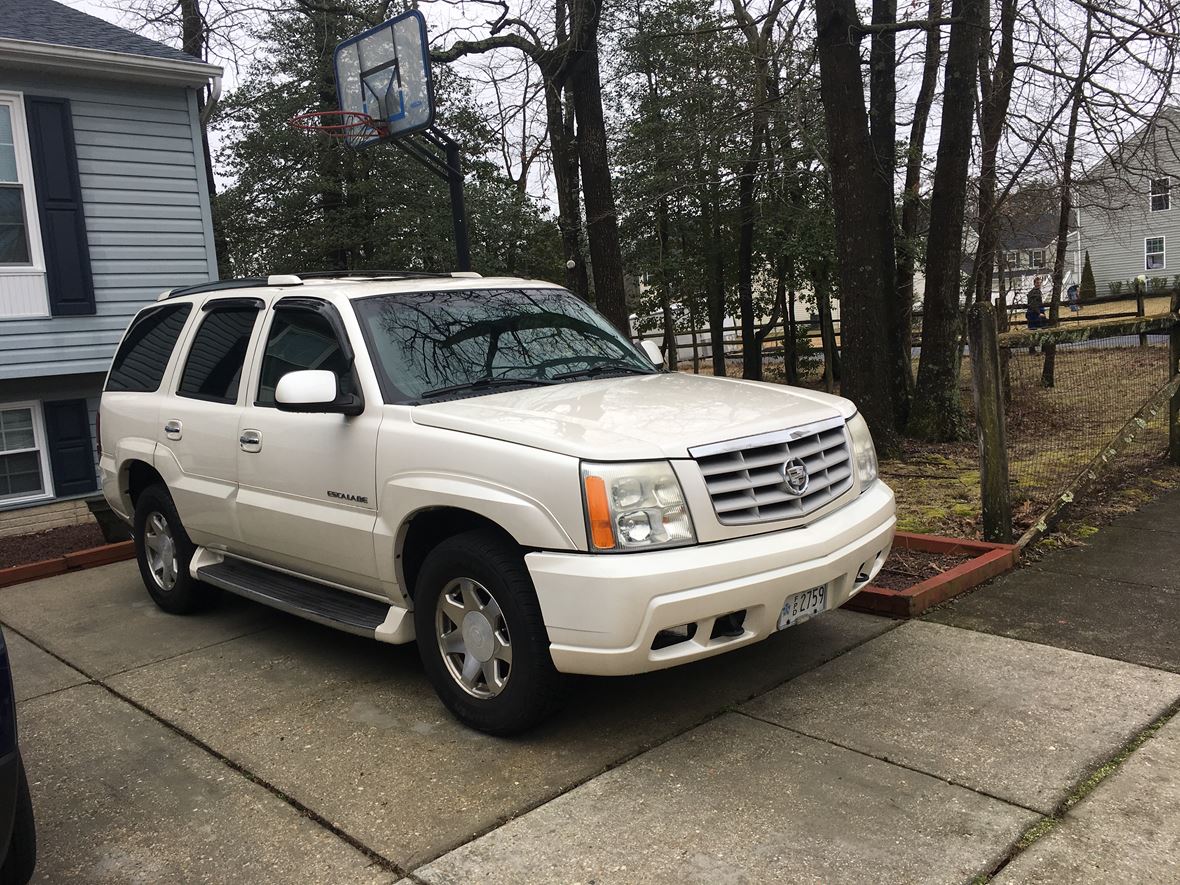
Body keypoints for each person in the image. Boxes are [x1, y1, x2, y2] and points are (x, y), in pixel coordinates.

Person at [1025, 276, 1047, 353]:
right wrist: (1039, 313)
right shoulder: (1035, 292)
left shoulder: (1035, 291)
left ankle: (1033, 350)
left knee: (1033, 331)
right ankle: (1041, 349)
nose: (1039, 284)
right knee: (1042, 330)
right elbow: (1033, 304)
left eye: (1040, 283)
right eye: (1037, 283)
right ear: (1034, 283)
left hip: (1034, 313)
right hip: (1034, 314)